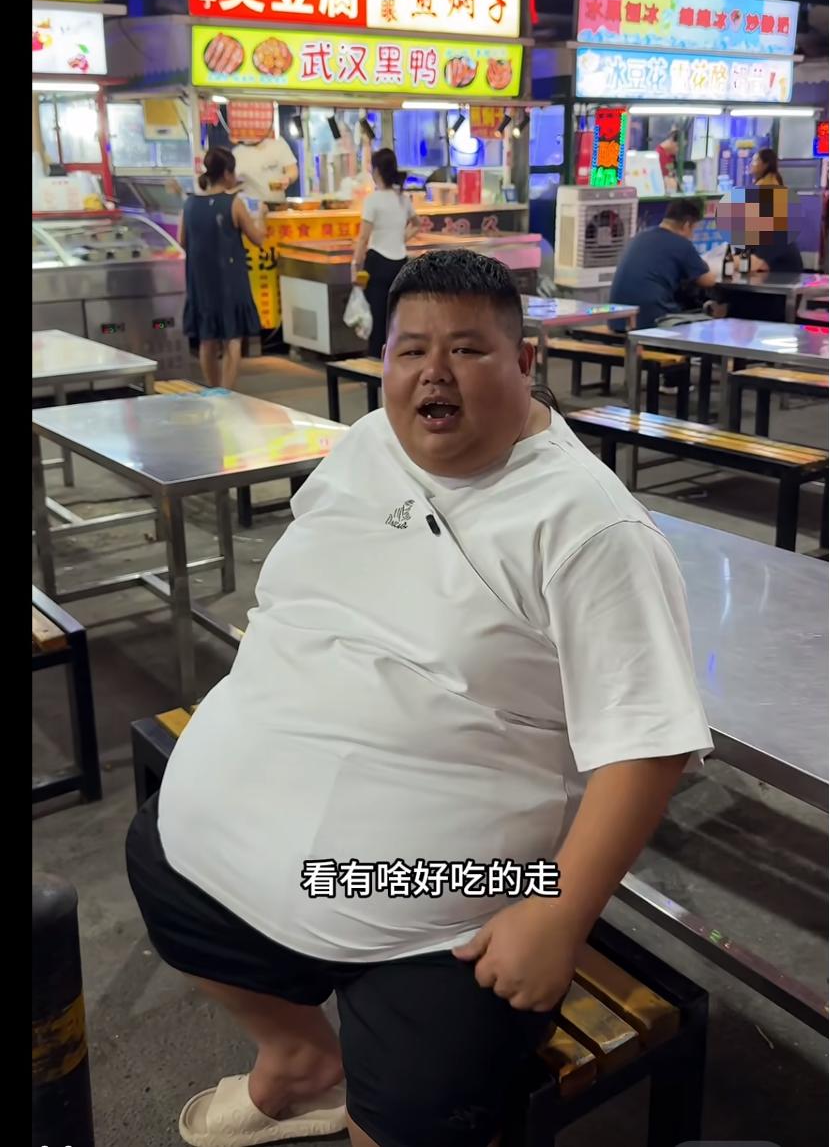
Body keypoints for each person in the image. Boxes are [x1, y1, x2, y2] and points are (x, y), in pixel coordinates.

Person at [126, 248, 712, 1147]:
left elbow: (650, 743)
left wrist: (561, 912)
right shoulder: (368, 444)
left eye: (468, 350)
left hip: (458, 886)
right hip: (240, 835)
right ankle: (299, 1058)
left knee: (409, 1117)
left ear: (525, 363)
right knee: (158, 855)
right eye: (411, 352)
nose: (435, 373)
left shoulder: (590, 527)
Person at [179, 147, 266, 390]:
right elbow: (258, 238)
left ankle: (214, 389)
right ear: (227, 173)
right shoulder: (234, 203)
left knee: (207, 339)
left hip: (201, 281)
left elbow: (182, 241)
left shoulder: (189, 204)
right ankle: (226, 393)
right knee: (232, 338)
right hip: (230, 280)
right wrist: (262, 216)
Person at [609, 198, 718, 331]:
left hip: (618, 321)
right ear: (686, 225)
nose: (692, 236)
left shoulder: (640, 237)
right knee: (710, 321)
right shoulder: (681, 243)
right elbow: (708, 281)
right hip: (651, 322)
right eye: (694, 230)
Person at [352, 147, 421, 358]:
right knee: (396, 318)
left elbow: (363, 238)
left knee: (377, 318)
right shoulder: (402, 199)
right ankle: (398, 361)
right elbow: (417, 224)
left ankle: (376, 363)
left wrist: (355, 265)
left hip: (377, 263)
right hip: (400, 264)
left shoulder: (373, 200)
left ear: (376, 171)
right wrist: (400, 239)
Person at [233, 132, 299, 204]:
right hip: (249, 207)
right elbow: (229, 187)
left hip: (277, 204)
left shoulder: (277, 142)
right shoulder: (236, 153)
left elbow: (292, 170)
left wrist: (287, 178)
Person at [656, 128, 680, 192]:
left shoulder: (671, 155)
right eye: (678, 146)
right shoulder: (658, 156)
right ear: (671, 140)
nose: (678, 150)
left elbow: (671, 173)